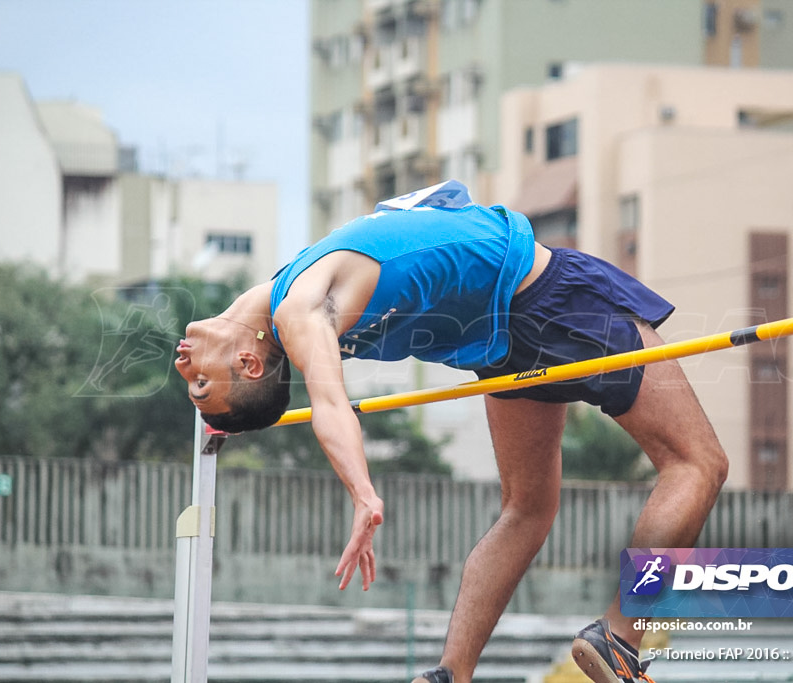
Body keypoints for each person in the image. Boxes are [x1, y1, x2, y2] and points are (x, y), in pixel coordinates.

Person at [174, 181, 728, 683]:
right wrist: (363, 493)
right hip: (546, 297)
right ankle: (621, 638)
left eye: (193, 382)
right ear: (248, 363)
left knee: (526, 509)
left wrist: (226, 417)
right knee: (696, 463)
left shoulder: (279, 297)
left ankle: (450, 675)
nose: (182, 367)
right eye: (200, 382)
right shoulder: (299, 309)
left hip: (497, 344)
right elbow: (330, 405)